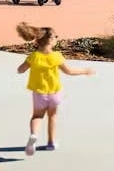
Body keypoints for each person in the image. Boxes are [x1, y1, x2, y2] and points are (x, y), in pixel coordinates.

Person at [15, 23, 94, 155]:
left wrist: (25, 67)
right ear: (51, 40)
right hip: (54, 93)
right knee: (53, 117)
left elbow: (20, 70)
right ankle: (51, 143)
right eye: (56, 36)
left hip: (39, 94)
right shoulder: (57, 56)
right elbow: (69, 71)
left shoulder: (34, 57)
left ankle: (33, 135)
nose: (57, 38)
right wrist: (85, 71)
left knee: (37, 116)